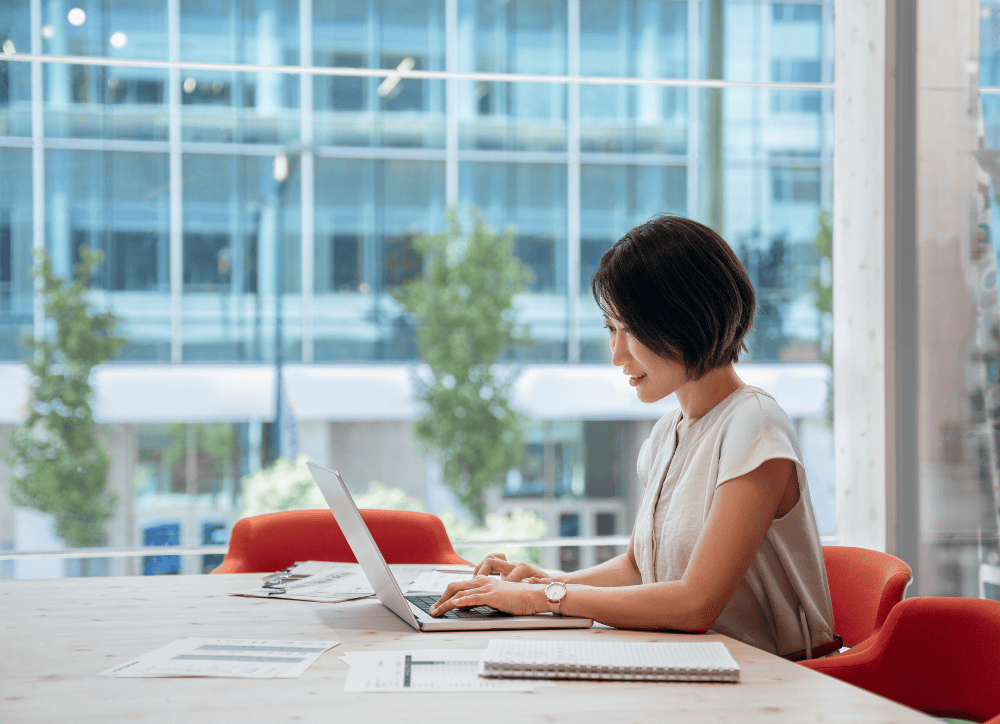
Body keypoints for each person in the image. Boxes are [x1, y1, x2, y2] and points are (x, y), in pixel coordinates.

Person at [430, 215, 837, 659]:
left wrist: (541, 599)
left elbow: (694, 604)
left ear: (687, 318)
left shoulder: (755, 426)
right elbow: (638, 568)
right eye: (610, 328)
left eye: (632, 329)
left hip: (768, 679)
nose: (617, 354)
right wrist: (542, 581)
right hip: (694, 663)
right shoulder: (668, 433)